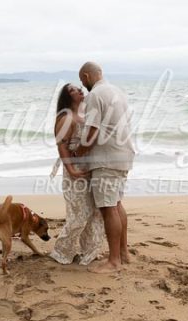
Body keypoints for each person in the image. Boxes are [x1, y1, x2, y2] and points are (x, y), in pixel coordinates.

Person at [75, 62, 136, 273]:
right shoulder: (118, 92)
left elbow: (91, 132)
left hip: (107, 159)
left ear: (86, 76)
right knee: (117, 204)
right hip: (124, 154)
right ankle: (124, 254)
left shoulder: (95, 95)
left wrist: (78, 153)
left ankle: (113, 261)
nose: (83, 86)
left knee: (108, 208)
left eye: (82, 81)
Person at [48, 83, 106, 266]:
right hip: (75, 170)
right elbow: (62, 146)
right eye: (73, 90)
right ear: (67, 97)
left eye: (79, 88)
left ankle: (89, 251)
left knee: (94, 212)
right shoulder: (66, 117)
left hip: (88, 168)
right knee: (79, 214)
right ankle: (62, 251)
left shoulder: (84, 115)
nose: (79, 90)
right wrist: (71, 170)